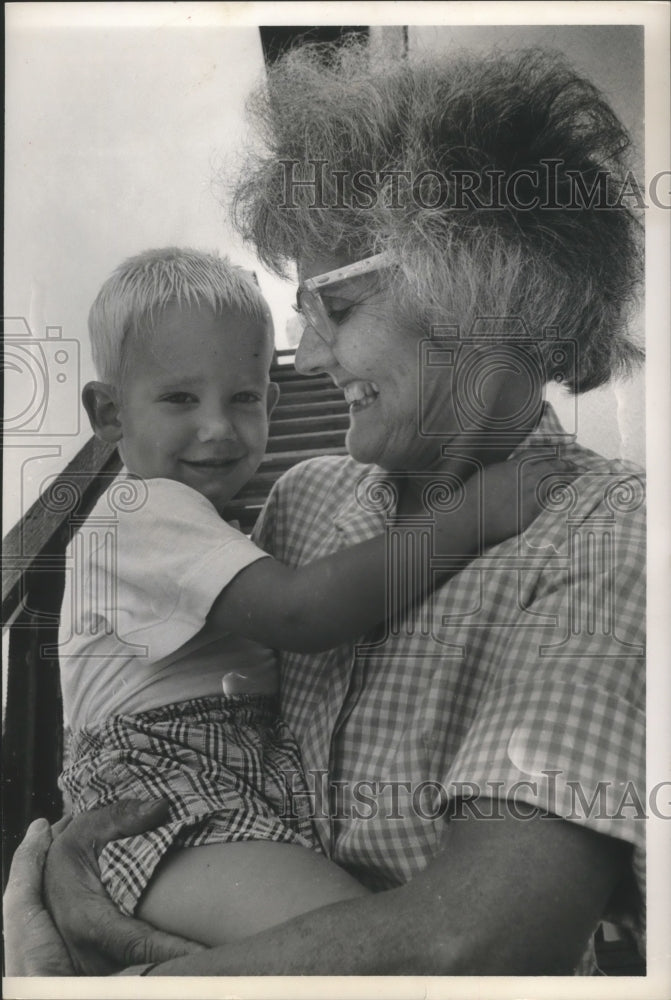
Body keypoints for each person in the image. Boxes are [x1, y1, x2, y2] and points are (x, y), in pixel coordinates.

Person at [6, 42, 645, 976]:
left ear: (480, 291)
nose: (303, 363)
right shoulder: (305, 501)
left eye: (335, 308)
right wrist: (77, 857)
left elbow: (475, 945)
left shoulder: (611, 529)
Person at [51, 246, 544, 956]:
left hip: (234, 780)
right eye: (179, 399)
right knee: (366, 953)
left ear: (270, 402)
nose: (218, 427)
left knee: (343, 948)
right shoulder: (137, 510)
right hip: (166, 790)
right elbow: (300, 614)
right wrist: (465, 520)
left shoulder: (221, 523)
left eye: (243, 397)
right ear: (109, 414)